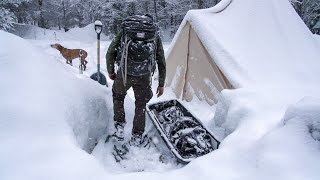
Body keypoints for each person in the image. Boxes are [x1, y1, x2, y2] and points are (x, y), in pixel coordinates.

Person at [106, 15, 166, 147]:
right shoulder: (153, 34)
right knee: (141, 104)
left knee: (118, 96)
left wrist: (111, 71)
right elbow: (161, 59)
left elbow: (110, 51)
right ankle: (137, 135)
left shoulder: (126, 30)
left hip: (125, 72)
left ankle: (120, 127)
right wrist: (161, 84)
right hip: (144, 74)